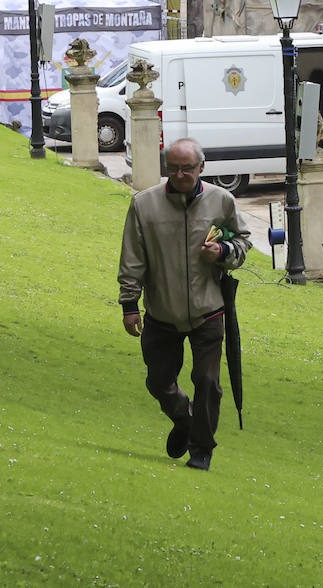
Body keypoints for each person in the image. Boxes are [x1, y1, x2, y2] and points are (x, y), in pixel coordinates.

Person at [119, 138, 251, 472]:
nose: (180, 175)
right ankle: (184, 419)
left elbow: (243, 242)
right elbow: (132, 257)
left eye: (187, 168)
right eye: (174, 168)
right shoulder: (144, 205)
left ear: (201, 168)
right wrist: (129, 304)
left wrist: (223, 252)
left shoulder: (222, 202)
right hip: (161, 313)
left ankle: (201, 450)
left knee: (208, 382)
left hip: (209, 311)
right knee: (158, 382)